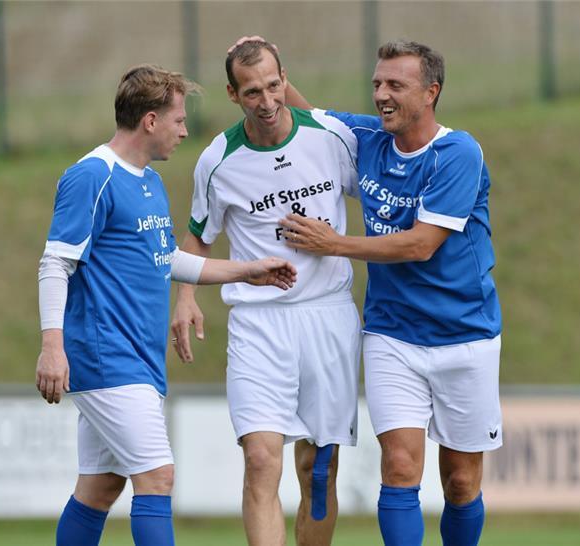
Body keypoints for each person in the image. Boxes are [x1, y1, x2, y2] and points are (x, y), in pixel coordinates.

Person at [35, 64, 297, 546]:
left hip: (137, 356)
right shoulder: (92, 176)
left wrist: (246, 269)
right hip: (105, 355)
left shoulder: (149, 181)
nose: (184, 130)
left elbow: (165, 259)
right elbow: (56, 263)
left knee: (100, 487)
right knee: (157, 478)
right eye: (178, 120)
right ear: (150, 121)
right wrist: (52, 347)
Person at [278, 40, 503, 546]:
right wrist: (269, 65)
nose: (381, 94)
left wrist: (334, 244)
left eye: (395, 85)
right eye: (378, 83)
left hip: (465, 334)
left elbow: (421, 245)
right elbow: (305, 114)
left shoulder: (457, 153)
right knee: (400, 465)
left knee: (461, 481)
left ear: (431, 93)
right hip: (391, 334)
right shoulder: (367, 138)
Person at [170, 40, 361, 546]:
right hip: (258, 324)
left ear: (285, 79)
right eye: (252, 91)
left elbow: (383, 196)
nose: (267, 101)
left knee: (319, 469)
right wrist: (185, 298)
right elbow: (197, 236)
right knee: (260, 460)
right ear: (233, 94)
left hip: (329, 317)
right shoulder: (218, 160)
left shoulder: (331, 137)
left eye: (274, 86)